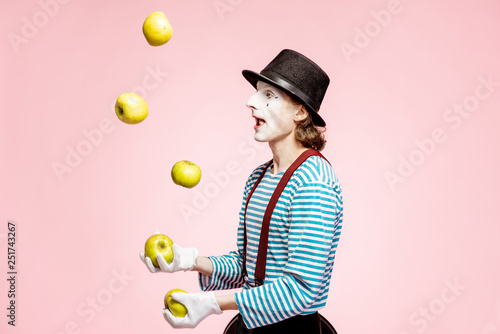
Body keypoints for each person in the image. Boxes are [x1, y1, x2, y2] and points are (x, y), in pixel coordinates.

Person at [140, 49, 344, 333]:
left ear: (300, 111)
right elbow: (252, 270)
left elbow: (301, 289)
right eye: (257, 93)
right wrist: (188, 261)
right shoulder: (258, 178)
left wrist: (212, 302)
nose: (251, 102)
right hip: (249, 325)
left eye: (269, 96)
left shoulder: (313, 182)